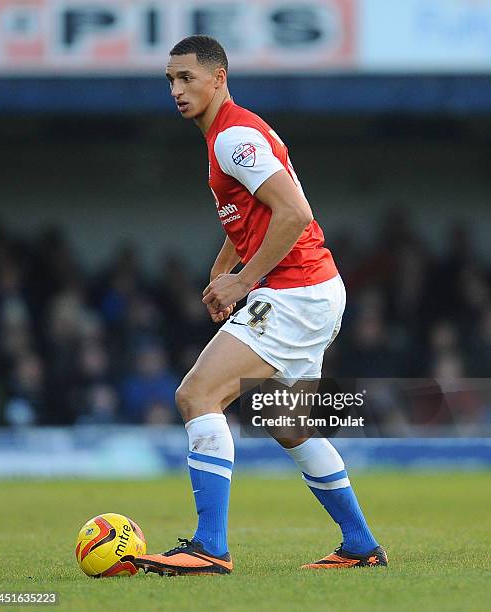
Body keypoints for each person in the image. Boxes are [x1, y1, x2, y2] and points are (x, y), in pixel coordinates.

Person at [124, 35, 387, 575]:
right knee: (287, 421)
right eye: (170, 80)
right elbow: (259, 210)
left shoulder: (232, 138)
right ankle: (361, 543)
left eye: (186, 78)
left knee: (198, 395)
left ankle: (209, 547)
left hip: (295, 291)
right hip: (312, 289)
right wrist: (227, 265)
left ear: (218, 77)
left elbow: (294, 212)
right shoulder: (232, 132)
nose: (176, 90)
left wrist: (242, 280)